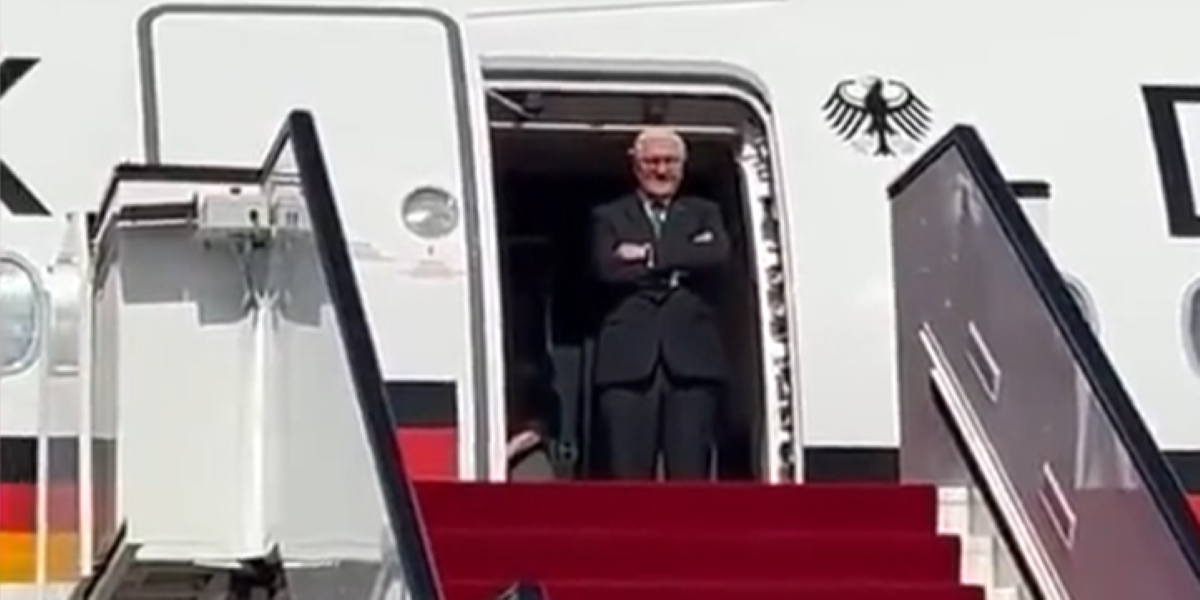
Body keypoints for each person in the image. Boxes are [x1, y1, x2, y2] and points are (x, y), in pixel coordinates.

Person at [589, 126, 730, 481]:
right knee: (629, 478)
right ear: (636, 166)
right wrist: (684, 256)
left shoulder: (704, 212)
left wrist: (647, 254)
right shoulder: (608, 216)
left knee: (690, 477)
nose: (662, 170)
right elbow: (606, 269)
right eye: (652, 162)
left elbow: (716, 255)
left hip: (692, 361)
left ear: (683, 166)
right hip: (628, 363)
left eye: (670, 161)